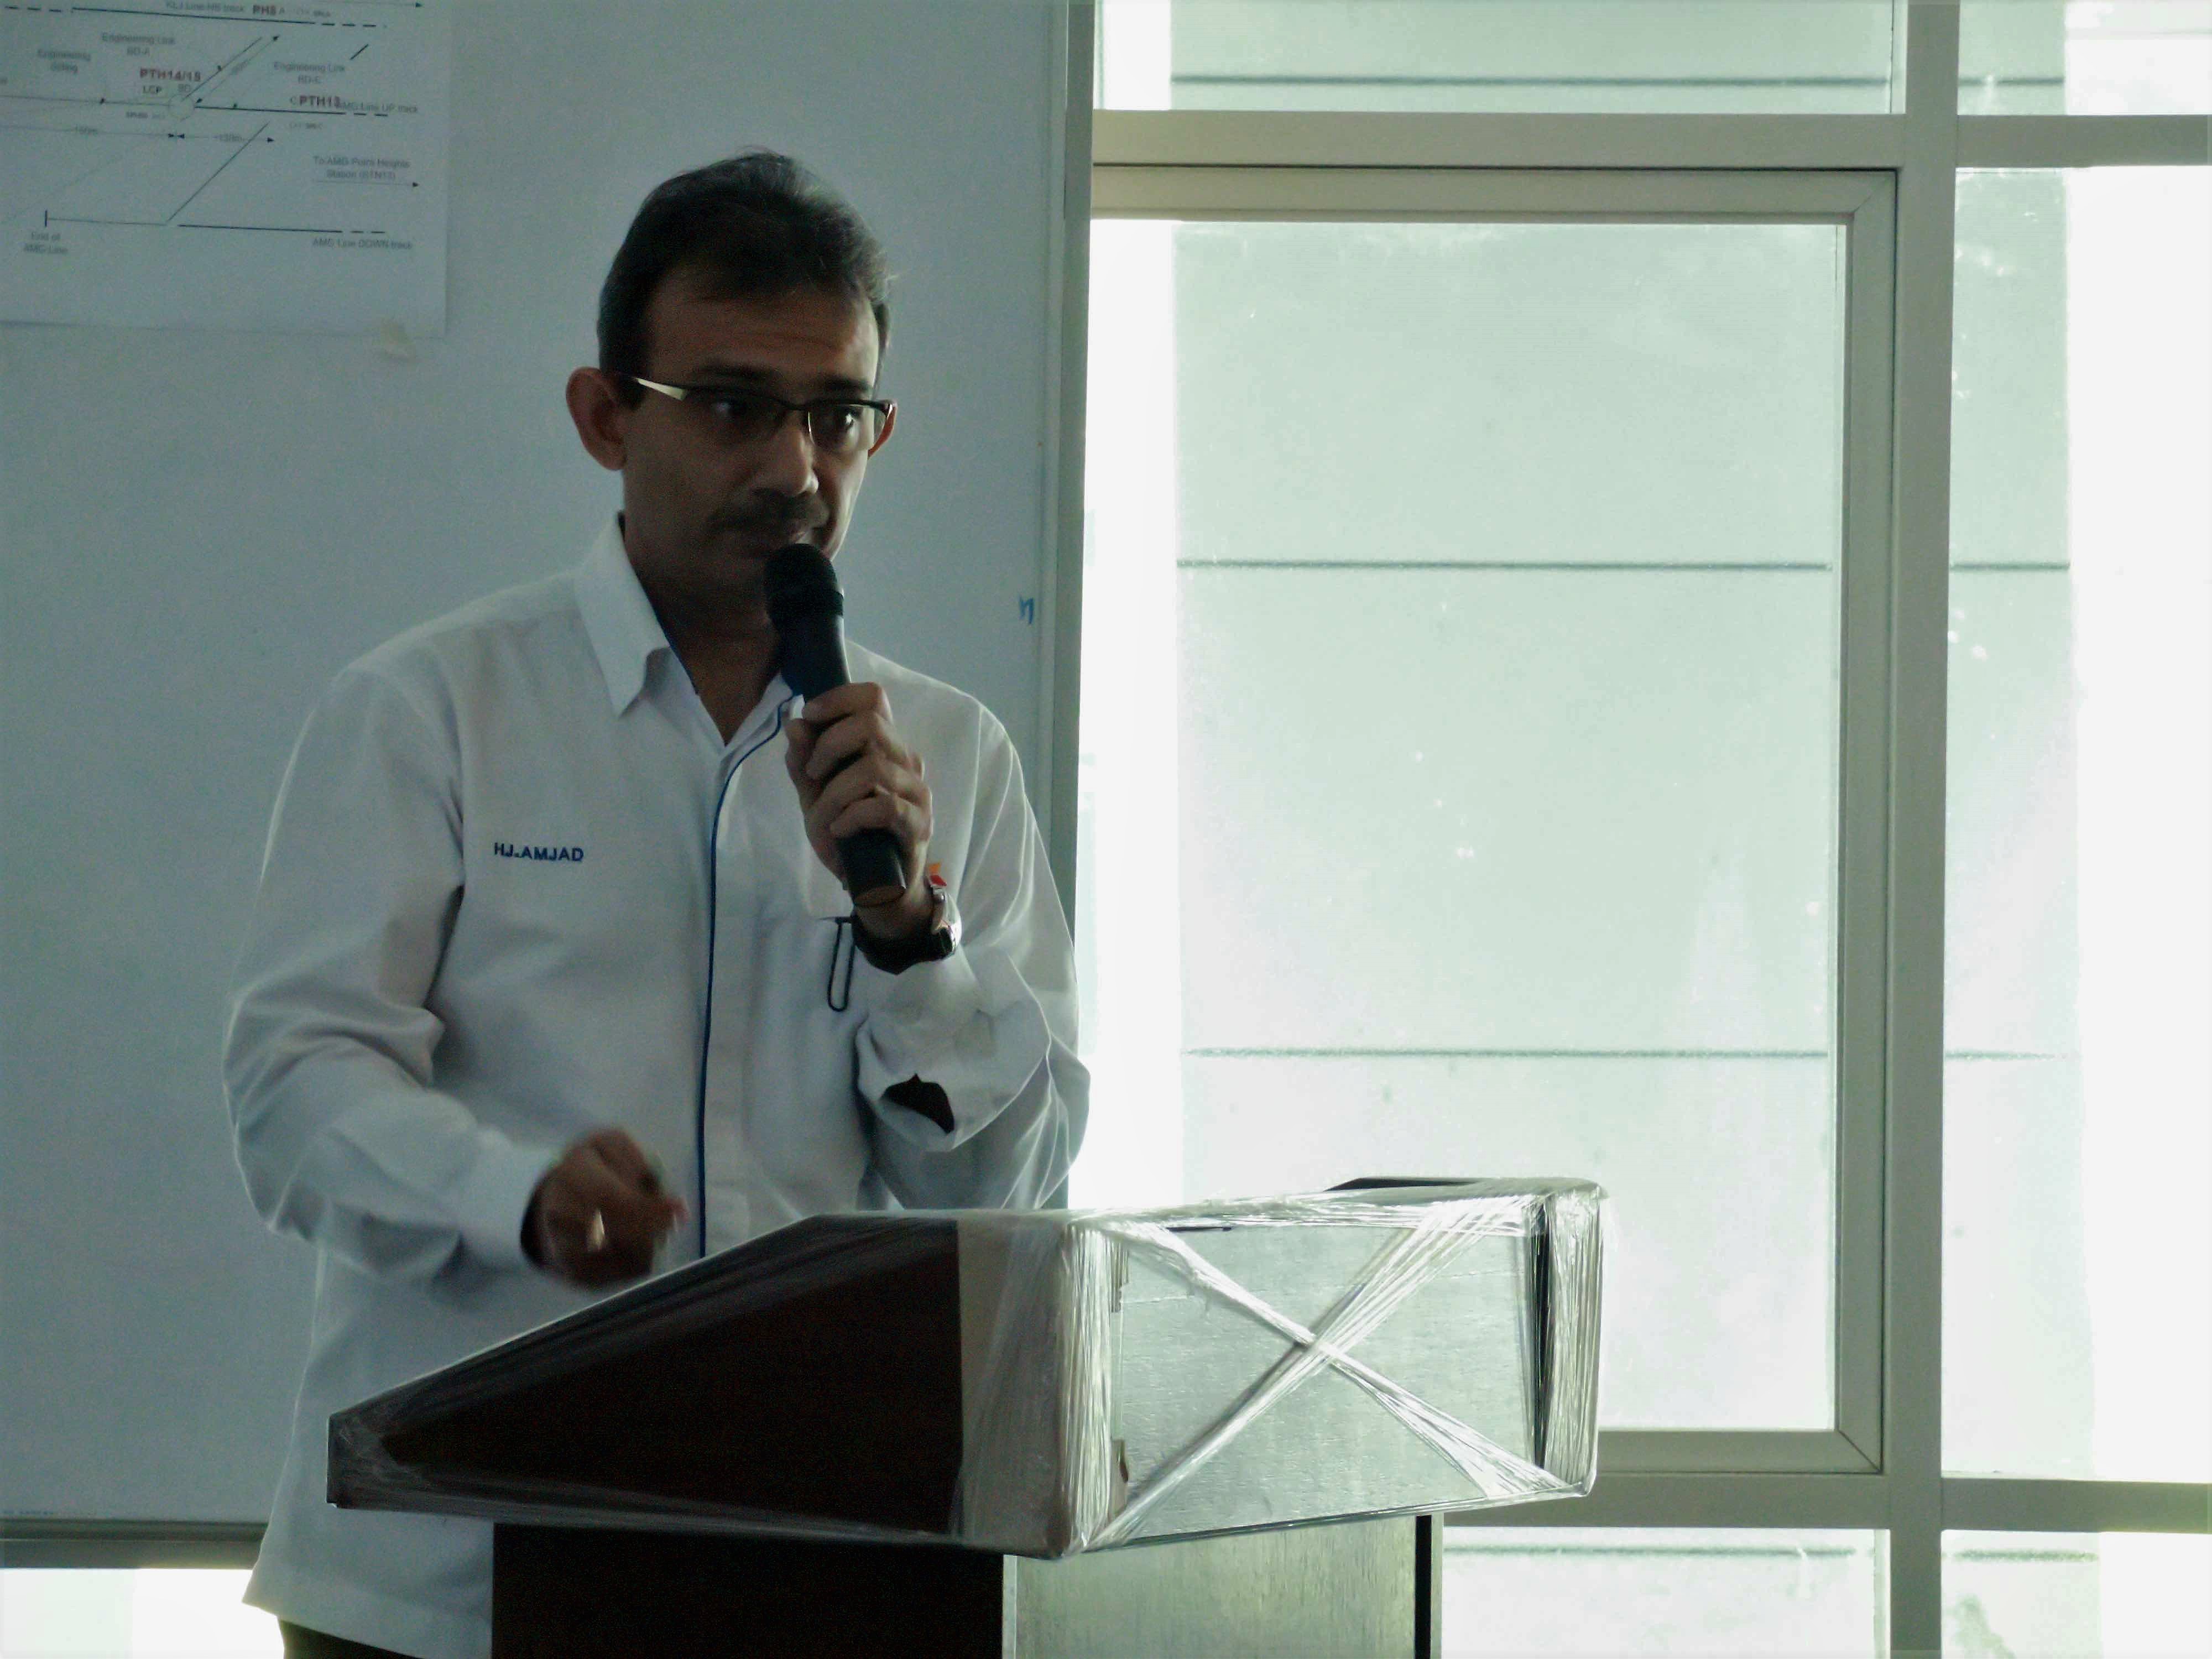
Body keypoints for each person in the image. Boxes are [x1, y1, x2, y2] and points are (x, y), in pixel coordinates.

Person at [223, 150, 1087, 1659]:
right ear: (606, 417)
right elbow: (295, 1095)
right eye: (735, 406)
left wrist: (914, 942)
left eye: (838, 416)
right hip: (446, 1580)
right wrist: (517, 1197)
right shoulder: (436, 709)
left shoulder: (947, 756)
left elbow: (1004, 1195)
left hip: (806, 1558)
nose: (797, 471)